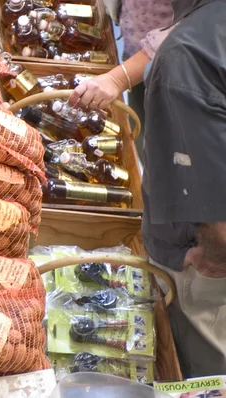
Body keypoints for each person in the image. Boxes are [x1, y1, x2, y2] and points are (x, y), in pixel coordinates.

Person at [142, 0, 226, 378]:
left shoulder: (188, 54)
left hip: (208, 275)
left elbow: (221, 225)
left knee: (200, 374)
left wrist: (211, 256)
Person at [68, 0, 173, 155]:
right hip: (140, 58)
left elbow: (197, 27)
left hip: (177, 70)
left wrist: (119, 79)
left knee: (170, 146)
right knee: (140, 126)